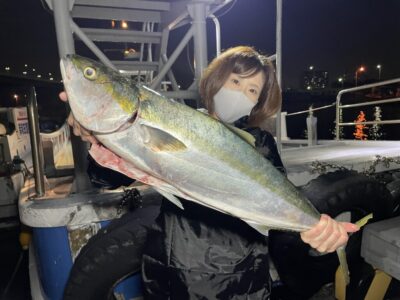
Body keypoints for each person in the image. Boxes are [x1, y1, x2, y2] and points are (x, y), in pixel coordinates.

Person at [60, 46, 359, 299]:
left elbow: (277, 210)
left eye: (252, 90)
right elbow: (107, 177)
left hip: (241, 280)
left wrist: (319, 233)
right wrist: (96, 139)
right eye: (235, 81)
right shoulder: (173, 118)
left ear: (258, 101)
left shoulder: (261, 144)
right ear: (216, 80)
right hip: (171, 271)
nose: (242, 93)